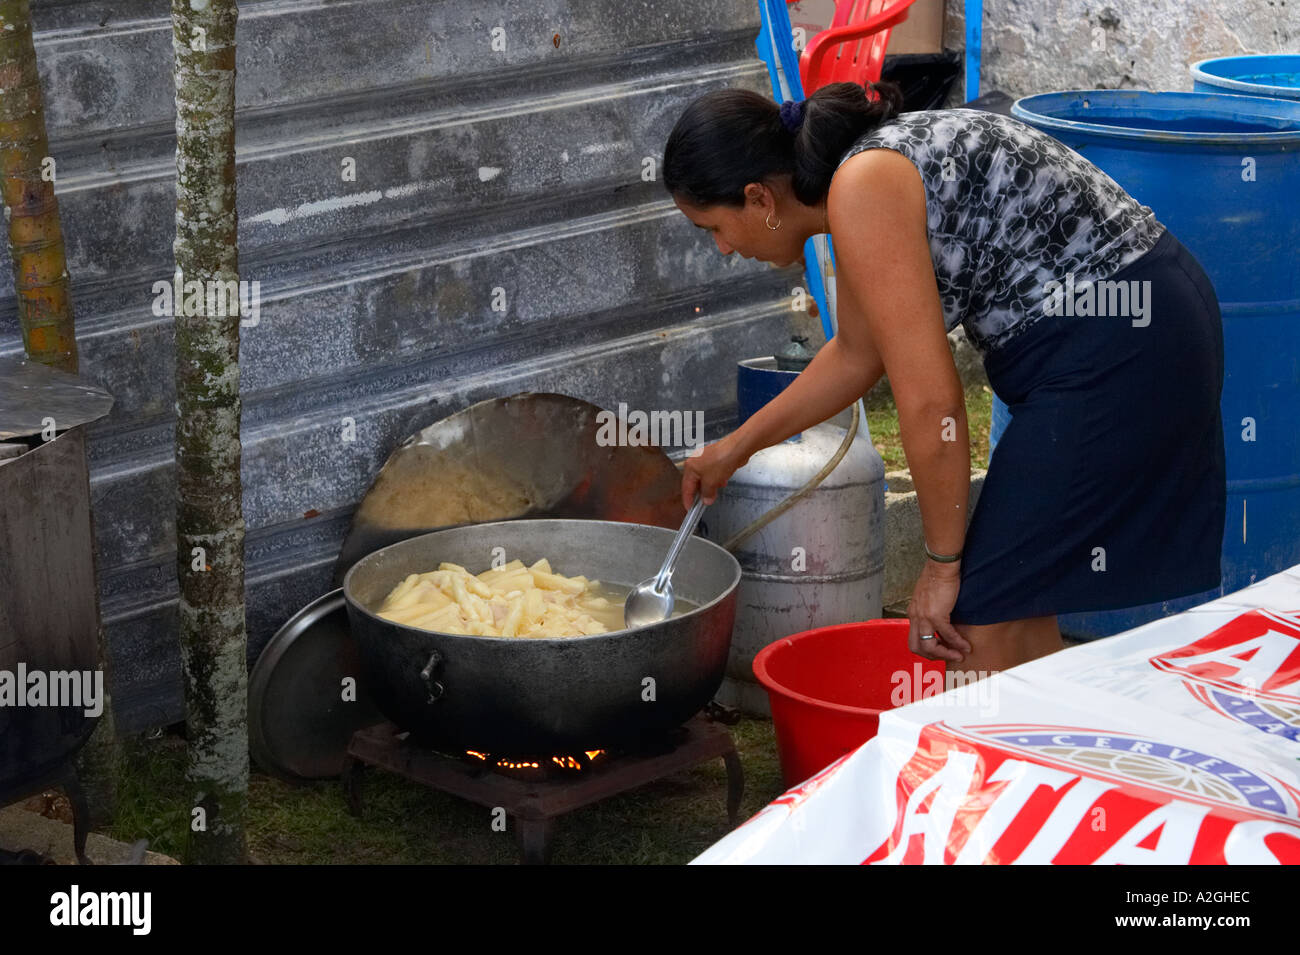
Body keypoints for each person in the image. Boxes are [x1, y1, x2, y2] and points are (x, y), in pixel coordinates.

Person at [661, 81, 1226, 675]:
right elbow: (855, 355)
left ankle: (1003, 760)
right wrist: (734, 449)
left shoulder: (864, 186)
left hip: (1120, 346)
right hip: (1136, 324)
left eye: (713, 228)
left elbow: (934, 407)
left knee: (972, 621)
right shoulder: (857, 181)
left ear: (760, 199)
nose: (722, 249)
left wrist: (941, 566)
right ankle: (1049, 755)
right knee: (1013, 601)